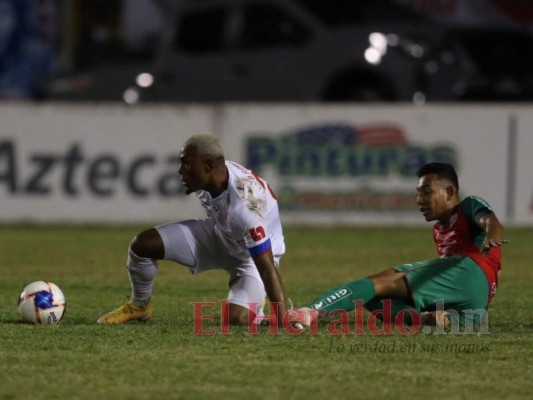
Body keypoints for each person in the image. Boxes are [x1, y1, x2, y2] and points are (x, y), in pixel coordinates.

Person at [98, 134, 290, 326]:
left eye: (186, 164)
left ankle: (268, 308)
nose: (180, 170)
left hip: (250, 258)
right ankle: (140, 306)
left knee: (236, 319)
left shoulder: (244, 208)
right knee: (143, 245)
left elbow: (266, 267)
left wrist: (283, 318)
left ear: (207, 166)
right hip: (218, 234)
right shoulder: (215, 174)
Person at [296, 162, 508, 328]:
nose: (419, 200)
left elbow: (490, 221)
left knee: (376, 283)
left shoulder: (469, 205)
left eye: (426, 192)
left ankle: (310, 312)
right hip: (474, 303)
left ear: (450, 193)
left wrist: (492, 235)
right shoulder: (439, 230)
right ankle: (426, 320)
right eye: (418, 193)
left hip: (470, 269)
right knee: (370, 297)